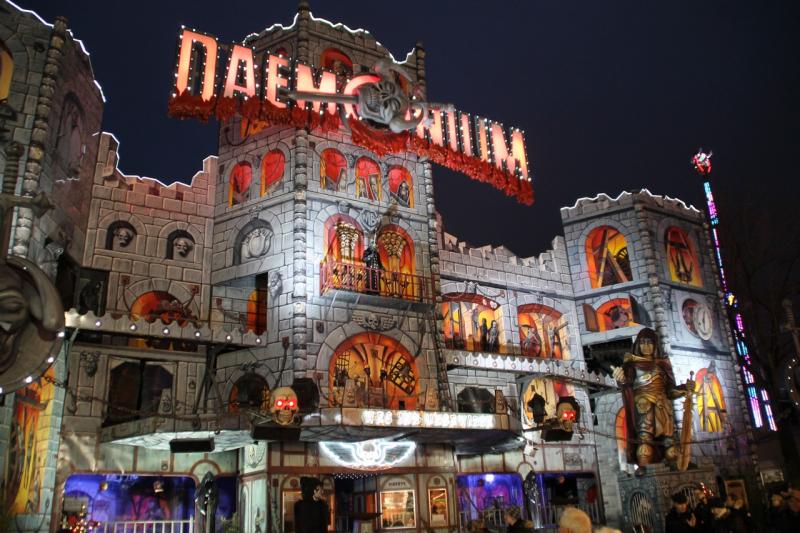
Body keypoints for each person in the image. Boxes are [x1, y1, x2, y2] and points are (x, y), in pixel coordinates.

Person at [612, 328, 693, 466]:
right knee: (644, 446)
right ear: (638, 345)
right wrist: (621, 379)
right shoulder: (632, 364)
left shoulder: (663, 365)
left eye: (649, 342)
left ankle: (674, 469)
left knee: (671, 449)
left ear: (655, 345)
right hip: (643, 406)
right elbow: (627, 383)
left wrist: (685, 388)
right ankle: (645, 468)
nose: (646, 346)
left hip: (664, 408)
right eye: (642, 342)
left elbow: (670, 391)